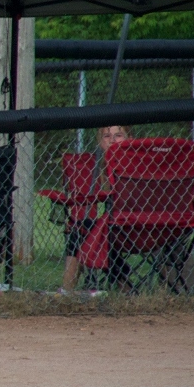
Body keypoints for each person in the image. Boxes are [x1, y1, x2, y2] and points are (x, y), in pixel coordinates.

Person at [60, 124, 129, 292]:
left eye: (118, 135)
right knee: (82, 230)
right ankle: (125, 286)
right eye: (106, 136)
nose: (113, 140)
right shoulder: (94, 169)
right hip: (111, 228)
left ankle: (65, 292)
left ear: (129, 139)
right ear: (99, 142)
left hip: (135, 225)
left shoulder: (138, 165)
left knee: (85, 232)